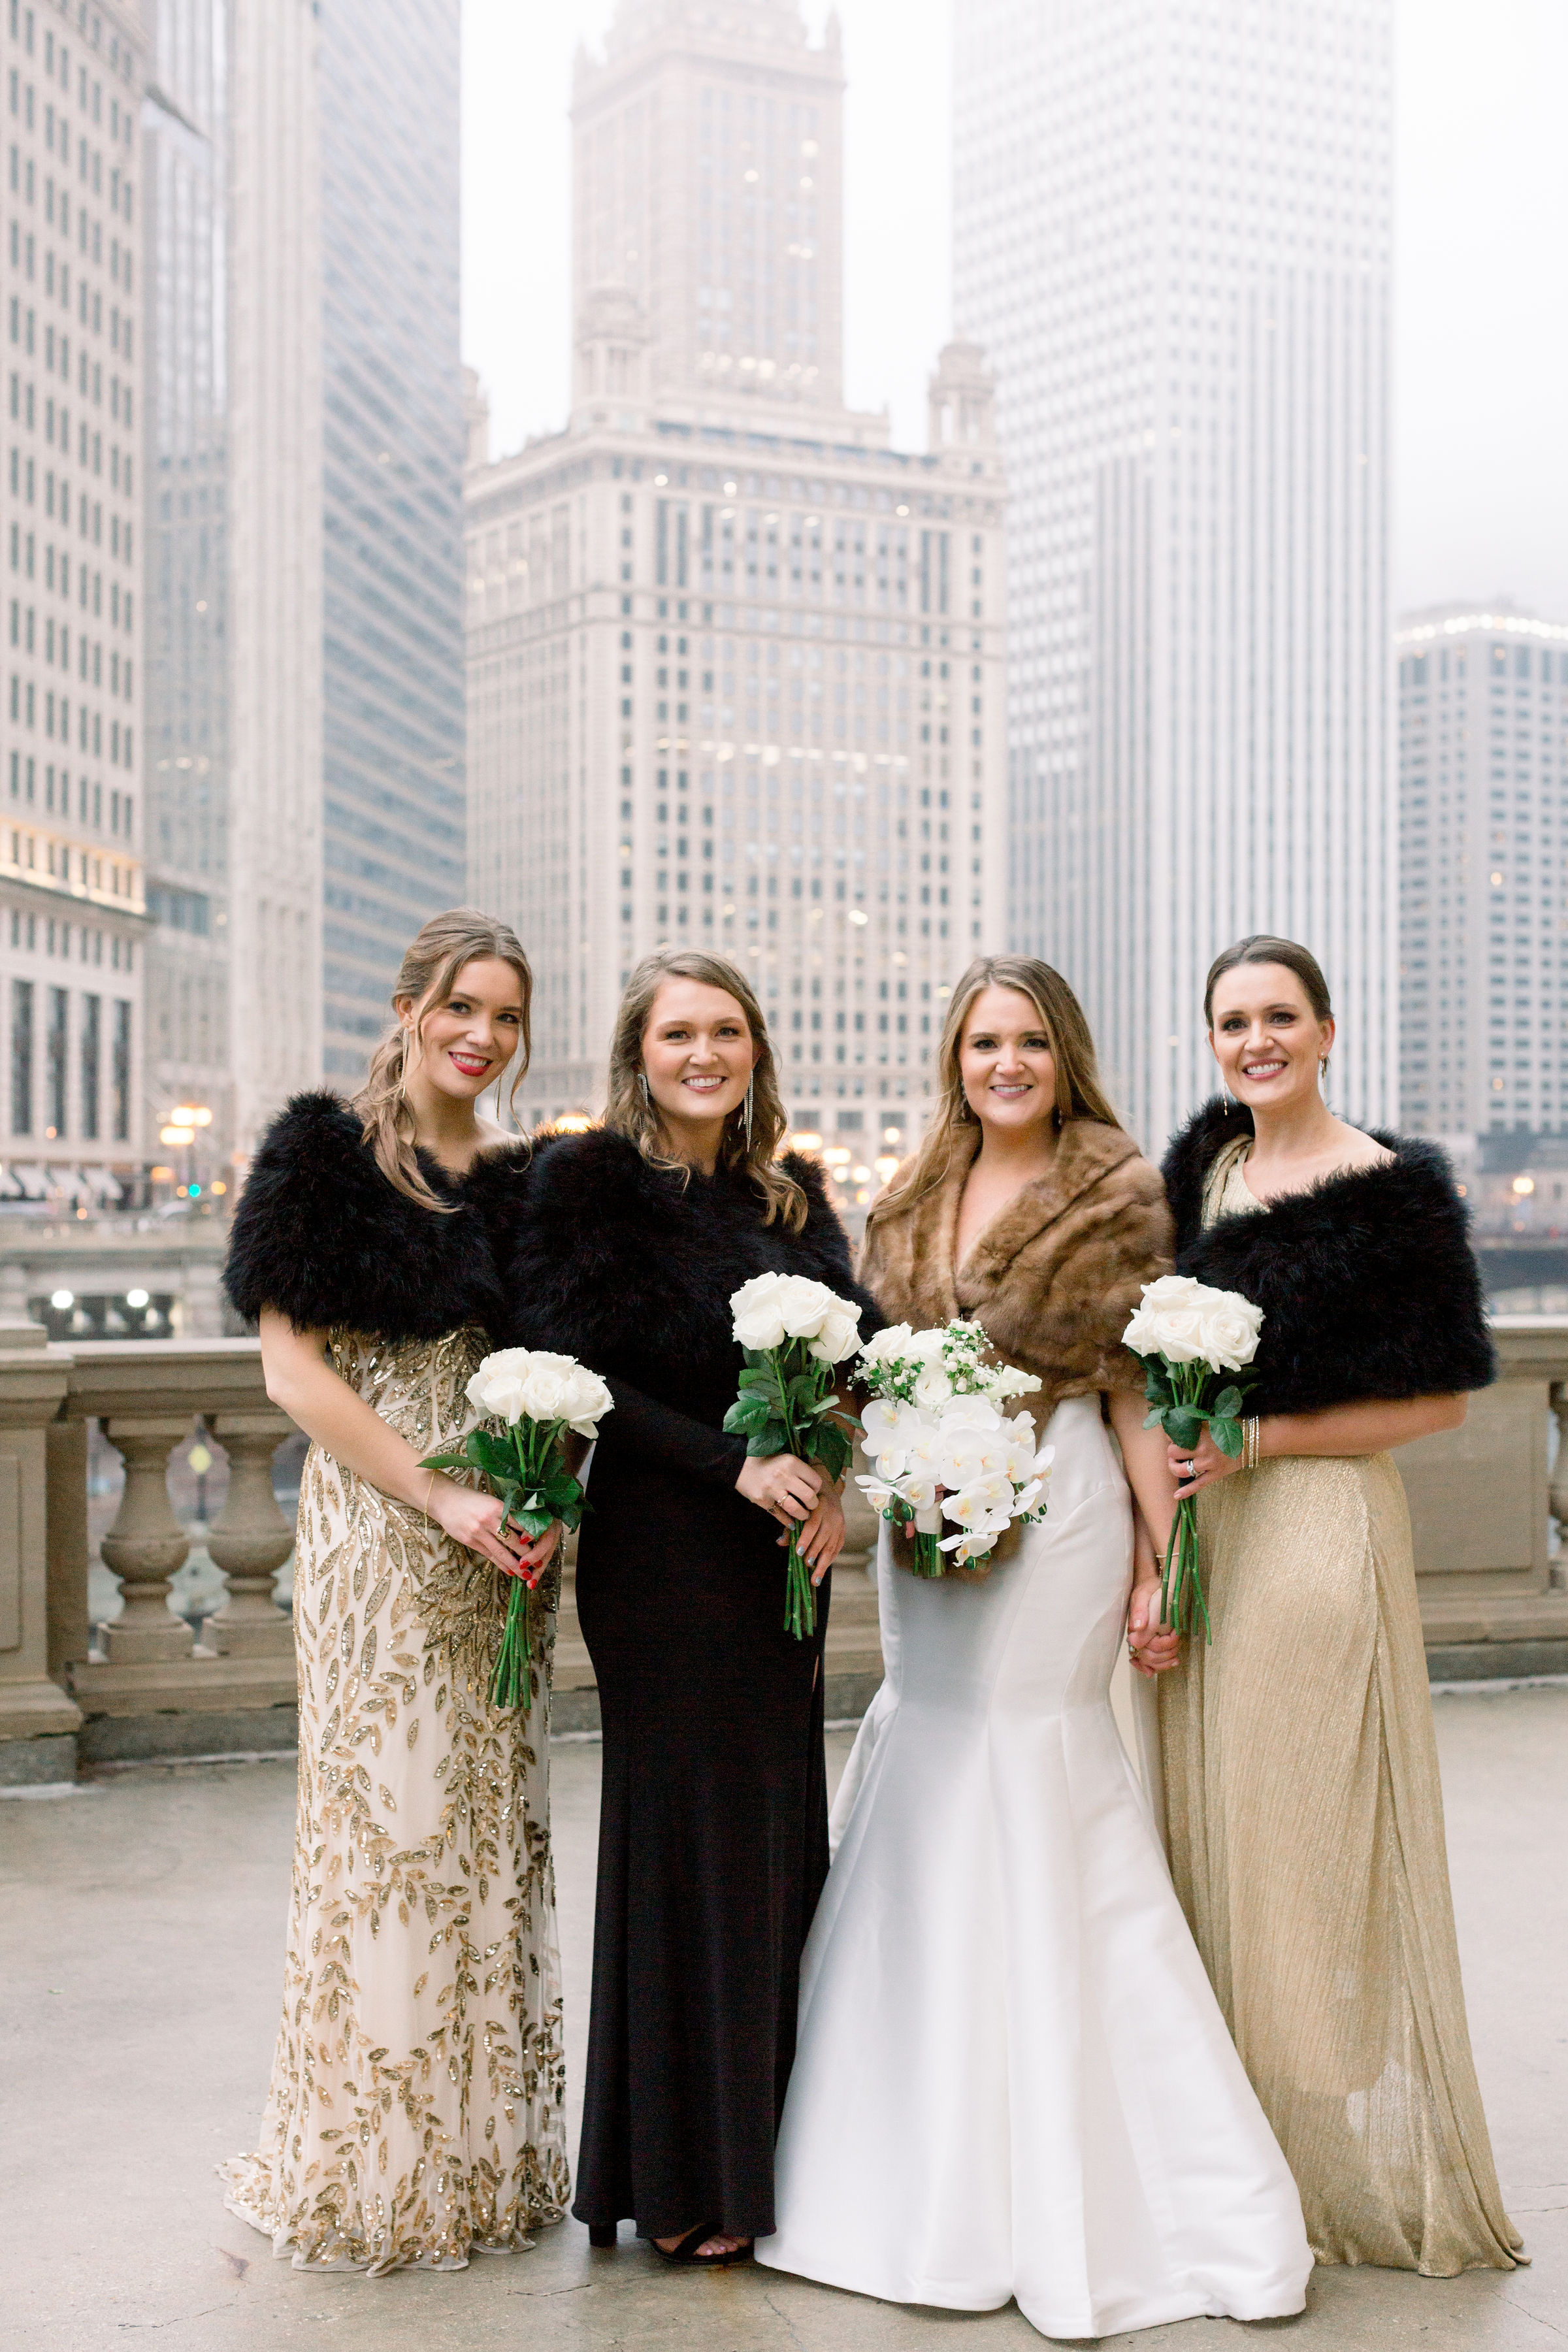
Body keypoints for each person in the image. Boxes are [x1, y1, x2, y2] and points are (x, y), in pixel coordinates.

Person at [759, 955, 1313, 2339]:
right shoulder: (907, 1195)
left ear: (1065, 1057)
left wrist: (1157, 1560)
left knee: (1029, 1752)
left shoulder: (1119, 1193)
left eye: (1030, 1043)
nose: (1005, 1064)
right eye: (983, 1042)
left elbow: (1132, 1395)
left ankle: (1091, 2176)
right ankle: (900, 2161)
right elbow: (867, 1372)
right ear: (956, 1058)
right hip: (923, 1516)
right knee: (929, 1748)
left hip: (1058, 1503)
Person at [500, 948, 877, 2266]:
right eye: (679, 1034)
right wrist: (735, 1465)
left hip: (780, 1564)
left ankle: (767, 2164)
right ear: (639, 1053)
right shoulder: (584, 1183)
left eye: (727, 1032)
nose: (705, 1054)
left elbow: (850, 1365)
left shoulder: (793, 1195)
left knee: (773, 1846)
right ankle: (674, 2178)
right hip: (663, 1555)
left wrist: (828, 1477)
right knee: (680, 1851)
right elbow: (576, 1371)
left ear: (756, 1049)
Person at [1157, 933, 1522, 2276]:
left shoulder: (1390, 1194)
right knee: (1206, 1829)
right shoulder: (1201, 1178)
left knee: (1302, 1837)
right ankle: (1230, 2151)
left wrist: (1260, 1443)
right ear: (1213, 1042)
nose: (1256, 1041)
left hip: (1316, 1528)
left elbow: (1442, 1402)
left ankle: (1312, 2157)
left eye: (1279, 1017)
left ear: (1325, 1030)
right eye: (1233, 1022)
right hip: (1207, 1531)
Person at [220, 910, 571, 2274]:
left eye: (506, 1016)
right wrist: (437, 1495)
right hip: (383, 1530)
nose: (482, 1035)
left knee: (487, 1827)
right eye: (461, 1007)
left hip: (506, 1541)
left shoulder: (534, 1182)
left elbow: (567, 1371)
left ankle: (478, 2165)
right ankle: (371, 2165)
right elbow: (291, 1371)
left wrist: (536, 1498)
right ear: (410, 1007)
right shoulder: (326, 1155)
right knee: (387, 1832)